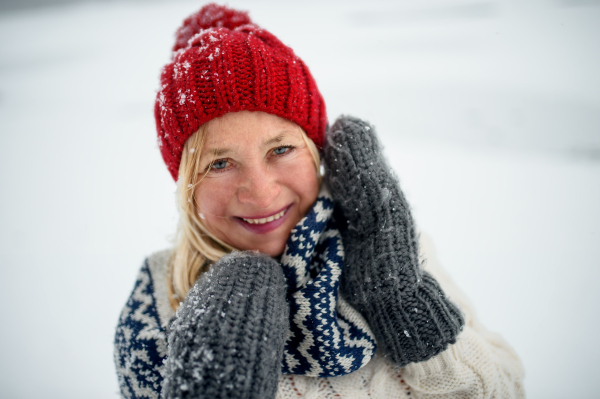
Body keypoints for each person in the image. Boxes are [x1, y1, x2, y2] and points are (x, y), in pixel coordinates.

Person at [114, 4, 525, 398]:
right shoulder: (158, 305)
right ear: (186, 182)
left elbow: (505, 390)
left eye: (280, 150)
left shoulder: (393, 250)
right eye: (220, 163)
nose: (260, 190)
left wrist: (403, 303)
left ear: (314, 150)